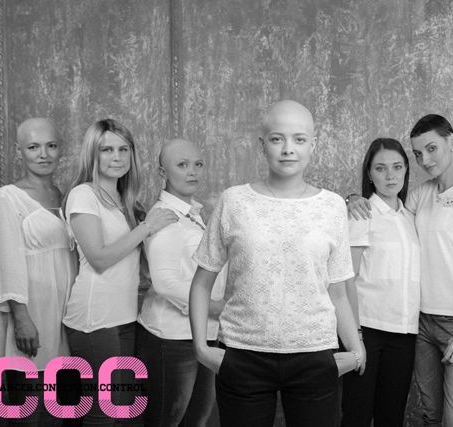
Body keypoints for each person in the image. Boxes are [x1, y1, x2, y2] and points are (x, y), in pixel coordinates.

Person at [189, 100, 365, 427]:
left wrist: (356, 349)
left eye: (299, 139)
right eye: (277, 139)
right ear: (262, 145)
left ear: (313, 144)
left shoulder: (332, 207)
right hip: (243, 354)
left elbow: (338, 291)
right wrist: (201, 347)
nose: (288, 149)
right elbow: (201, 282)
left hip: (315, 355)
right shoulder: (234, 201)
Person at [348, 114, 453, 426]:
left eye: (432, 149)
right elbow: (383, 218)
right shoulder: (418, 195)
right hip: (417, 322)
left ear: (452, 142)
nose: (425, 160)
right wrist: (352, 199)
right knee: (429, 414)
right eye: (418, 153)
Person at [63, 118, 177, 426]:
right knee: (102, 413)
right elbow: (99, 258)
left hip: (126, 317)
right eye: (107, 150)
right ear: (93, 154)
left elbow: (138, 264)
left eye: (123, 149)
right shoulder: (83, 195)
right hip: (95, 319)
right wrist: (147, 227)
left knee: (121, 408)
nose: (117, 157)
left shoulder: (128, 202)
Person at [0, 118, 77, 425]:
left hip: (65, 315)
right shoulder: (7, 198)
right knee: (28, 410)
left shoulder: (63, 195)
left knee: (61, 409)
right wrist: (22, 319)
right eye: (33, 147)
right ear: (18, 151)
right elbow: (7, 262)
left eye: (51, 146)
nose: (44, 154)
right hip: (30, 315)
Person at [137, 139, 226, 427]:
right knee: (167, 419)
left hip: (202, 332)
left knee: (196, 419)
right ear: (162, 172)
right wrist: (214, 307)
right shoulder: (164, 216)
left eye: (197, 164)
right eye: (182, 165)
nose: (192, 171)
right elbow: (164, 283)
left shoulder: (193, 214)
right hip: (172, 338)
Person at [340, 138, 420, 427]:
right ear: (370, 174)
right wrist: (355, 335)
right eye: (381, 168)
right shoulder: (362, 214)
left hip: (405, 332)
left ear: (406, 170)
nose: (390, 175)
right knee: (357, 415)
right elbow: (346, 280)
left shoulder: (411, 217)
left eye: (397, 167)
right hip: (367, 330)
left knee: (392, 417)